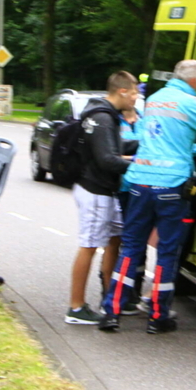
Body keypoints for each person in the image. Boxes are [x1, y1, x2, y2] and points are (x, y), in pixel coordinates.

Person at [99, 59, 196, 334]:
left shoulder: (154, 99)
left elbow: (163, 141)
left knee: (130, 249)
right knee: (166, 251)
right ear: (194, 81)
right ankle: (158, 316)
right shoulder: (191, 102)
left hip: (140, 182)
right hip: (171, 186)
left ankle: (111, 311)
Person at [66, 71, 140, 325]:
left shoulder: (103, 114)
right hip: (95, 191)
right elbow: (107, 159)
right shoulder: (103, 118)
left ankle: (111, 297)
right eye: (134, 93)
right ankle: (76, 307)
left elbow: (115, 148)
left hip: (101, 190)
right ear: (122, 92)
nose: (136, 98)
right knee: (89, 245)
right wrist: (142, 164)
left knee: (114, 239)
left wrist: (146, 145)